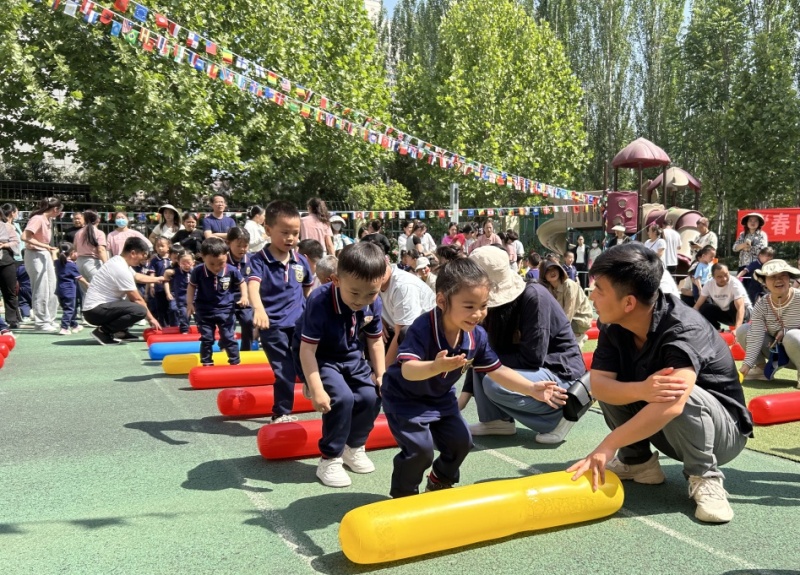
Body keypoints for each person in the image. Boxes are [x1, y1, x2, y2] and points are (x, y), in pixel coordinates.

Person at [567, 243, 752, 524]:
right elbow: (600, 385)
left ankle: (705, 476)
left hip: (722, 434)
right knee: (624, 384)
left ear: (628, 303)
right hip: (667, 430)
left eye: (599, 290)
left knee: (676, 390)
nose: (592, 295)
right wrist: (641, 389)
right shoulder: (613, 325)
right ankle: (638, 463)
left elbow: (674, 404)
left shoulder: (684, 327)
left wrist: (608, 444)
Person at [381, 258, 565, 497]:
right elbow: (408, 370)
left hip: (439, 398)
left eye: (484, 305)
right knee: (420, 451)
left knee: (461, 441)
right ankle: (403, 495)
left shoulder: (476, 335)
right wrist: (435, 366)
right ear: (442, 301)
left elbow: (497, 370)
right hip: (405, 400)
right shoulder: (423, 328)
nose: (478, 314)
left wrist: (531, 388)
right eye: (469, 306)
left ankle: (440, 479)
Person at [464, 246, 584, 442]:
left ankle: (559, 417)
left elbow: (533, 357)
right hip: (532, 368)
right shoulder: (496, 310)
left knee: (494, 381)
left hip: (559, 372)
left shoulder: (534, 297)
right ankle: (496, 420)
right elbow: (482, 354)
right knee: (483, 360)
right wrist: (460, 401)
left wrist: (485, 362)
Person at [293, 242, 387, 487]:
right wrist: (315, 387)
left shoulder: (373, 301)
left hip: (351, 355)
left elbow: (375, 341)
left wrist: (381, 375)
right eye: (354, 293)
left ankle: (353, 447)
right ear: (335, 280)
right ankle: (330, 458)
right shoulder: (319, 300)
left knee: (371, 395)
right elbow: (306, 350)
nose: (361, 300)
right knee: (342, 399)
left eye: (371, 293)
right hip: (321, 357)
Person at [249, 201, 314, 423]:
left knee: (308, 358)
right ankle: (281, 412)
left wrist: (313, 312)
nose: (291, 238)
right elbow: (253, 286)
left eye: (295, 233)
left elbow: (308, 290)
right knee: (284, 369)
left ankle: (310, 384)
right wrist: (258, 309)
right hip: (273, 325)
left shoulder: (300, 260)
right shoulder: (259, 261)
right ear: (268, 230)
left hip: (299, 323)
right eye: (284, 233)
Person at [83, 237, 163, 345]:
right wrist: (151, 319)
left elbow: (137, 276)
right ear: (133, 253)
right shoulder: (120, 268)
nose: (143, 260)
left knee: (131, 302)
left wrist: (159, 279)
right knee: (139, 310)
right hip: (95, 311)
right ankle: (102, 332)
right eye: (143, 255)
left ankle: (120, 332)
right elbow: (137, 299)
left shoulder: (119, 261)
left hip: (98, 308)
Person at [736, 259, 800, 387]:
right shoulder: (762, 304)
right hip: (776, 353)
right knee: (744, 330)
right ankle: (760, 369)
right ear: (764, 282)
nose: (778, 280)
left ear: (789, 278)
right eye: (772, 277)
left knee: (791, 335)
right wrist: (746, 365)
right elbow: (755, 335)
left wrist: (786, 331)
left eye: (783, 275)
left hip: (796, 347)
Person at [187, 238, 248, 366]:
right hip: (204, 310)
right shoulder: (198, 271)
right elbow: (191, 286)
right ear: (203, 257)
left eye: (221, 263)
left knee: (228, 337)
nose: (216, 267)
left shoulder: (231, 270)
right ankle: (207, 362)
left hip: (226, 309)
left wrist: (244, 296)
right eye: (212, 264)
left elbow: (242, 283)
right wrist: (190, 303)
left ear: (226, 255)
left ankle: (235, 362)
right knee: (207, 338)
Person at [379, 261, 437, 366]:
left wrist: (382, 371)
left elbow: (402, 333)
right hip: (399, 330)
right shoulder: (374, 282)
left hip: (429, 338)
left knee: (404, 333)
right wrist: (379, 319)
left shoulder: (403, 286)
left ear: (386, 262)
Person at [22, 197, 62, 332]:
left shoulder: (48, 220)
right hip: (35, 254)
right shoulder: (37, 219)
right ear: (55, 209)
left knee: (52, 286)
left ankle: (49, 319)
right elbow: (25, 237)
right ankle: (41, 322)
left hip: (44, 253)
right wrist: (46, 246)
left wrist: (46, 248)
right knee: (41, 289)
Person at [540, 259, 593, 346]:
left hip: (578, 320)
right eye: (548, 270)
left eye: (554, 268)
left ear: (559, 270)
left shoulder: (569, 285)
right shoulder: (549, 288)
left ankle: (577, 338)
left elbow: (568, 313)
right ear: (543, 275)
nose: (552, 272)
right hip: (564, 320)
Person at [694, 263, 751, 333]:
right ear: (713, 277)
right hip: (725, 313)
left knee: (734, 304)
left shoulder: (734, 283)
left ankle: (741, 328)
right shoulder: (709, 284)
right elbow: (697, 306)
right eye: (719, 277)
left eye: (726, 275)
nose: (724, 279)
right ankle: (716, 330)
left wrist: (737, 329)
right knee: (704, 307)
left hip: (744, 313)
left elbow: (740, 307)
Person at [226, 227, 255, 352]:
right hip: (226, 301)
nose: (242, 249)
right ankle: (227, 351)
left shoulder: (252, 260)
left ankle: (246, 351)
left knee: (248, 322)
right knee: (227, 326)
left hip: (245, 301)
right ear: (228, 243)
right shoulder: (222, 260)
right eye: (238, 246)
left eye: (245, 246)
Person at [55, 242, 88, 335]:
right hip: (69, 291)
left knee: (68, 309)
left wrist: (54, 252)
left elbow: (54, 257)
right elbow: (79, 277)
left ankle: (74, 325)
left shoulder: (57, 262)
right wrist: (87, 283)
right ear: (72, 253)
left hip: (60, 290)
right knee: (69, 310)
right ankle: (64, 327)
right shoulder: (71, 265)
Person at [73, 210, 108, 293]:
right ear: (97, 219)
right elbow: (101, 250)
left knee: (85, 292)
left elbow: (75, 248)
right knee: (98, 291)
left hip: (80, 263)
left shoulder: (78, 233)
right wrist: (106, 264)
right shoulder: (99, 232)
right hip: (93, 263)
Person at [164, 251, 194, 334]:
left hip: (195, 298)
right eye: (183, 263)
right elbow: (166, 274)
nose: (186, 265)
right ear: (179, 263)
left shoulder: (195, 272)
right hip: (182, 298)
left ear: (193, 262)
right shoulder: (176, 271)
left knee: (200, 315)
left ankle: (203, 328)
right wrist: (168, 292)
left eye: (188, 262)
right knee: (184, 314)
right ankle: (184, 330)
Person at [0, 206, 20, 328]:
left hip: (6, 262)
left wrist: (5, 245)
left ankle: (12, 319)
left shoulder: (7, 227)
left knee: (10, 292)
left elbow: (16, 242)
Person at [147, 237, 173, 328]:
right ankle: (164, 327)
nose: (160, 248)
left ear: (168, 247)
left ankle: (173, 326)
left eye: (162, 246)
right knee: (161, 309)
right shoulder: (154, 260)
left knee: (172, 308)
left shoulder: (172, 258)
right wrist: (152, 286)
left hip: (172, 288)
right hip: (159, 288)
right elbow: (152, 273)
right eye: (158, 246)